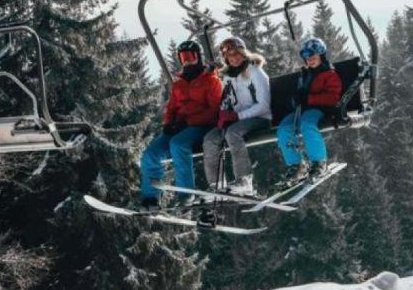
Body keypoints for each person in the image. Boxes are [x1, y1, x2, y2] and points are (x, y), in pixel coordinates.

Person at [141, 40, 222, 209]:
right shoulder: (179, 84)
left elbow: (214, 111)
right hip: (179, 127)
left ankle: (186, 194)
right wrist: (168, 124)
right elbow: (171, 108)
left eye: (190, 57)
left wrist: (189, 121)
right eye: (183, 57)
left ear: (198, 57)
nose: (186, 61)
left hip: (202, 125)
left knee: (178, 145)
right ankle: (150, 199)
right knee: (151, 154)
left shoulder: (211, 81)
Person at [201, 36, 272, 197]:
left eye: (236, 54)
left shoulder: (255, 72)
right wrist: (223, 115)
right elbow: (227, 99)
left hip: (260, 118)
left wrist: (237, 116)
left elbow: (264, 105)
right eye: (229, 57)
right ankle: (216, 184)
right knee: (210, 138)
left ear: (243, 52)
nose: (233, 59)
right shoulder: (228, 76)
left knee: (232, 133)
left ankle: (244, 180)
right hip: (237, 119)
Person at [276, 37, 343, 183]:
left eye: (313, 57)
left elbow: (333, 98)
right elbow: (299, 95)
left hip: (320, 109)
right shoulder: (305, 75)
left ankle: (319, 162)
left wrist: (309, 99)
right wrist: (297, 99)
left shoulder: (329, 74)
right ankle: (297, 165)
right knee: (284, 128)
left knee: (307, 125)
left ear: (321, 56)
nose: (310, 60)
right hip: (303, 109)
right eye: (307, 58)